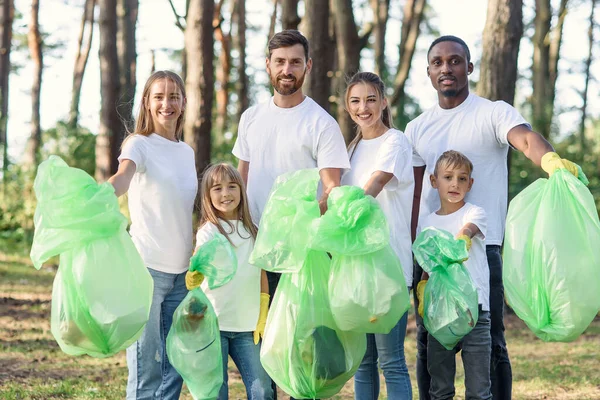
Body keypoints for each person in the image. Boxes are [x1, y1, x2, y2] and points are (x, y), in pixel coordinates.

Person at [405, 35, 581, 400]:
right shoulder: (416, 128)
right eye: (438, 62)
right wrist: (411, 250)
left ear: (469, 68)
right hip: (432, 256)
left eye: (455, 61)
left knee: (491, 343)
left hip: (483, 251)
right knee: (429, 342)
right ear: (428, 71)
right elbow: (415, 193)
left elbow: (526, 139)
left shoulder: (492, 112)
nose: (446, 68)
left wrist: (551, 162)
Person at [232, 29, 350, 299]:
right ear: (268, 65)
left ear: (308, 66)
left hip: (303, 251)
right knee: (257, 331)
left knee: (299, 335)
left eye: (295, 62)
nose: (287, 69)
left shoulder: (322, 124)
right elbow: (242, 177)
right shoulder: (251, 118)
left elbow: (333, 189)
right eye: (280, 61)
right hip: (255, 242)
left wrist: (300, 226)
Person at [108, 70, 198, 400]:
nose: (166, 103)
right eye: (158, 96)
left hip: (183, 274)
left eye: (174, 96)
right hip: (147, 270)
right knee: (147, 366)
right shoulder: (139, 144)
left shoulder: (186, 152)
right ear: (147, 102)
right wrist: (101, 194)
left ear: (184, 102)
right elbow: (123, 177)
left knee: (175, 364)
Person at [341, 72, 414, 400]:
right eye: (355, 100)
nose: (363, 107)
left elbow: (375, 184)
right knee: (364, 361)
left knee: (391, 360)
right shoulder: (351, 148)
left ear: (384, 102)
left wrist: (344, 212)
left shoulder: (395, 141)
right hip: (357, 266)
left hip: (389, 266)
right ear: (347, 106)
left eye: (371, 99)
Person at [185, 163, 274, 400]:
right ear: (207, 196)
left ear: (241, 191)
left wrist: (263, 311)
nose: (226, 194)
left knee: (263, 390)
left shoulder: (252, 231)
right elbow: (197, 269)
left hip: (248, 327)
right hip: (214, 325)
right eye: (217, 188)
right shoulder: (208, 231)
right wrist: (193, 277)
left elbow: (261, 273)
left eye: (232, 186)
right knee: (215, 392)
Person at [417, 150, 492, 400]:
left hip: (475, 309)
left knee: (479, 390)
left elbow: (470, 228)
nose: (454, 184)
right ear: (433, 181)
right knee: (440, 388)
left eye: (462, 178)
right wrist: (423, 286)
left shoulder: (474, 212)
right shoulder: (426, 222)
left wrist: (464, 236)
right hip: (442, 313)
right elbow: (428, 262)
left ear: (470, 184)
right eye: (448, 177)